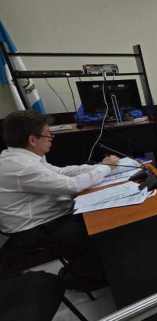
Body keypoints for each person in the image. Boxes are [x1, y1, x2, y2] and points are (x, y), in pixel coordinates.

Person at [0, 110, 119, 289]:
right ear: (33, 140)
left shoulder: (22, 156)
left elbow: (61, 172)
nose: (51, 138)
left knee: (96, 215)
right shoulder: (21, 166)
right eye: (48, 135)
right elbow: (72, 186)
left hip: (42, 218)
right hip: (32, 230)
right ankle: (87, 277)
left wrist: (98, 167)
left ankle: (90, 270)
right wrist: (106, 169)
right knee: (96, 225)